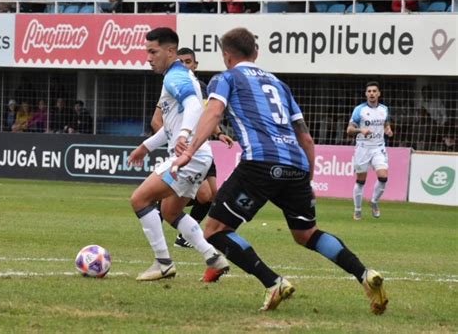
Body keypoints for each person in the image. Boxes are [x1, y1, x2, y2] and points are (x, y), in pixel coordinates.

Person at [171, 27, 388, 314]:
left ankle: (273, 282)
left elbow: (213, 114)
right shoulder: (279, 85)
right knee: (307, 233)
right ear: (256, 53)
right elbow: (306, 137)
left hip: (260, 163)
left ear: (226, 55)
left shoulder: (225, 78)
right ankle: (365, 274)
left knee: (213, 231)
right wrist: (307, 178)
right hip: (296, 164)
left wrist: (189, 149)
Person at [127, 27, 229, 282]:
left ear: (170, 51)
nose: (148, 57)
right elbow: (169, 128)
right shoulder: (180, 76)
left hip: (189, 157)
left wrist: (184, 135)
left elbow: (194, 107)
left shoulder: (175, 77)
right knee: (170, 212)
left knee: (140, 200)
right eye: (147, 51)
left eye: (153, 51)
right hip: (198, 156)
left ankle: (163, 263)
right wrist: (146, 147)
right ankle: (214, 258)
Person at [151, 47, 234, 248]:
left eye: (189, 62)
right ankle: (163, 211)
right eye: (181, 61)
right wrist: (176, 139)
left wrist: (219, 133)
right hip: (187, 149)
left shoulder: (202, 88)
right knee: (204, 195)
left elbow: (206, 116)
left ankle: (182, 233)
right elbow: (156, 121)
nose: (185, 65)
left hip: (202, 147)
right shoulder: (172, 86)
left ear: (195, 64)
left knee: (212, 195)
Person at [346, 81, 393, 220]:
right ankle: (358, 210)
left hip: (379, 147)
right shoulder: (359, 110)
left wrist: (388, 129)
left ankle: (374, 202)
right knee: (361, 181)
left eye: (374, 91)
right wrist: (361, 130)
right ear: (366, 94)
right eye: (369, 91)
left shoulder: (384, 109)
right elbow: (349, 129)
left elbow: (386, 124)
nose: (372, 93)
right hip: (363, 148)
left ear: (379, 93)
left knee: (383, 177)